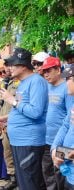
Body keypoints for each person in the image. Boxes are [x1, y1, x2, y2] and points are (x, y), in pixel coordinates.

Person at [0, 47, 48, 190]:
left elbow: (36, 112)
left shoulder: (36, 81)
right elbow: (21, 108)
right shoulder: (22, 83)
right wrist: (6, 118)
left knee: (31, 183)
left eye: (13, 65)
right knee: (25, 182)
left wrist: (11, 100)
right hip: (19, 141)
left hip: (29, 141)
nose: (9, 68)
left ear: (23, 66)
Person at [41, 57, 72, 189]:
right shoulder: (46, 87)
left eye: (48, 70)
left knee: (61, 175)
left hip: (64, 146)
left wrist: (60, 147)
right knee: (48, 173)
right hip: (48, 141)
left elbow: (69, 122)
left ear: (58, 69)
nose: (45, 74)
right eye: (44, 71)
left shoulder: (67, 89)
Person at [0, 60, 19, 190]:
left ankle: (21, 181)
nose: (4, 72)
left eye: (7, 69)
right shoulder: (3, 83)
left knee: (18, 155)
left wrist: (7, 120)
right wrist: (0, 120)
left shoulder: (20, 83)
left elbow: (18, 105)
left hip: (15, 125)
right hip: (3, 125)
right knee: (8, 154)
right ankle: (13, 179)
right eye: (3, 71)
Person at [51, 64, 74, 189]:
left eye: (68, 79)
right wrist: (55, 149)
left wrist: (61, 154)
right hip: (69, 172)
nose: (65, 84)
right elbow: (65, 126)